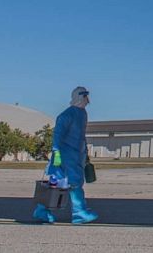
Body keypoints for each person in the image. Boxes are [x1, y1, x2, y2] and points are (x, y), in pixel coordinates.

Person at [33, 86, 98, 225]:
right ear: (80, 97)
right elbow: (58, 134)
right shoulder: (67, 115)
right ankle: (78, 212)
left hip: (76, 155)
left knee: (61, 184)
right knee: (64, 184)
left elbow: (81, 136)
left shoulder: (82, 114)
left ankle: (43, 210)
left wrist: (85, 153)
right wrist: (56, 151)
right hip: (65, 156)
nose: (87, 100)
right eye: (85, 96)